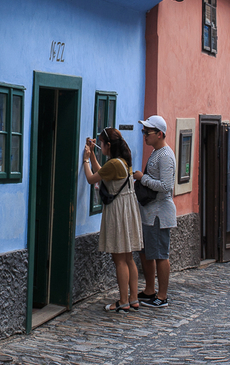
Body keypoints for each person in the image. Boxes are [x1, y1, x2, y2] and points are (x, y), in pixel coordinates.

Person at [82, 127, 143, 313]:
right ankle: (133, 298)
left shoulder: (114, 163)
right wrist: (93, 154)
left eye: (101, 143)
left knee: (119, 260)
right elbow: (103, 172)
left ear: (108, 145)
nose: (100, 146)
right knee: (129, 258)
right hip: (129, 210)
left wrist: (85, 159)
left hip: (118, 212)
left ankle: (123, 300)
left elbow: (92, 178)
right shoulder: (123, 161)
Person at [133, 115, 176, 308]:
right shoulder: (156, 152)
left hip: (160, 212)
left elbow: (166, 185)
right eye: (144, 131)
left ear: (159, 134)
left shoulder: (165, 155)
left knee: (160, 254)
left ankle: (163, 295)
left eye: (147, 132)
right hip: (150, 212)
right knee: (147, 252)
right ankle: (150, 290)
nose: (144, 135)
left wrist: (143, 179)